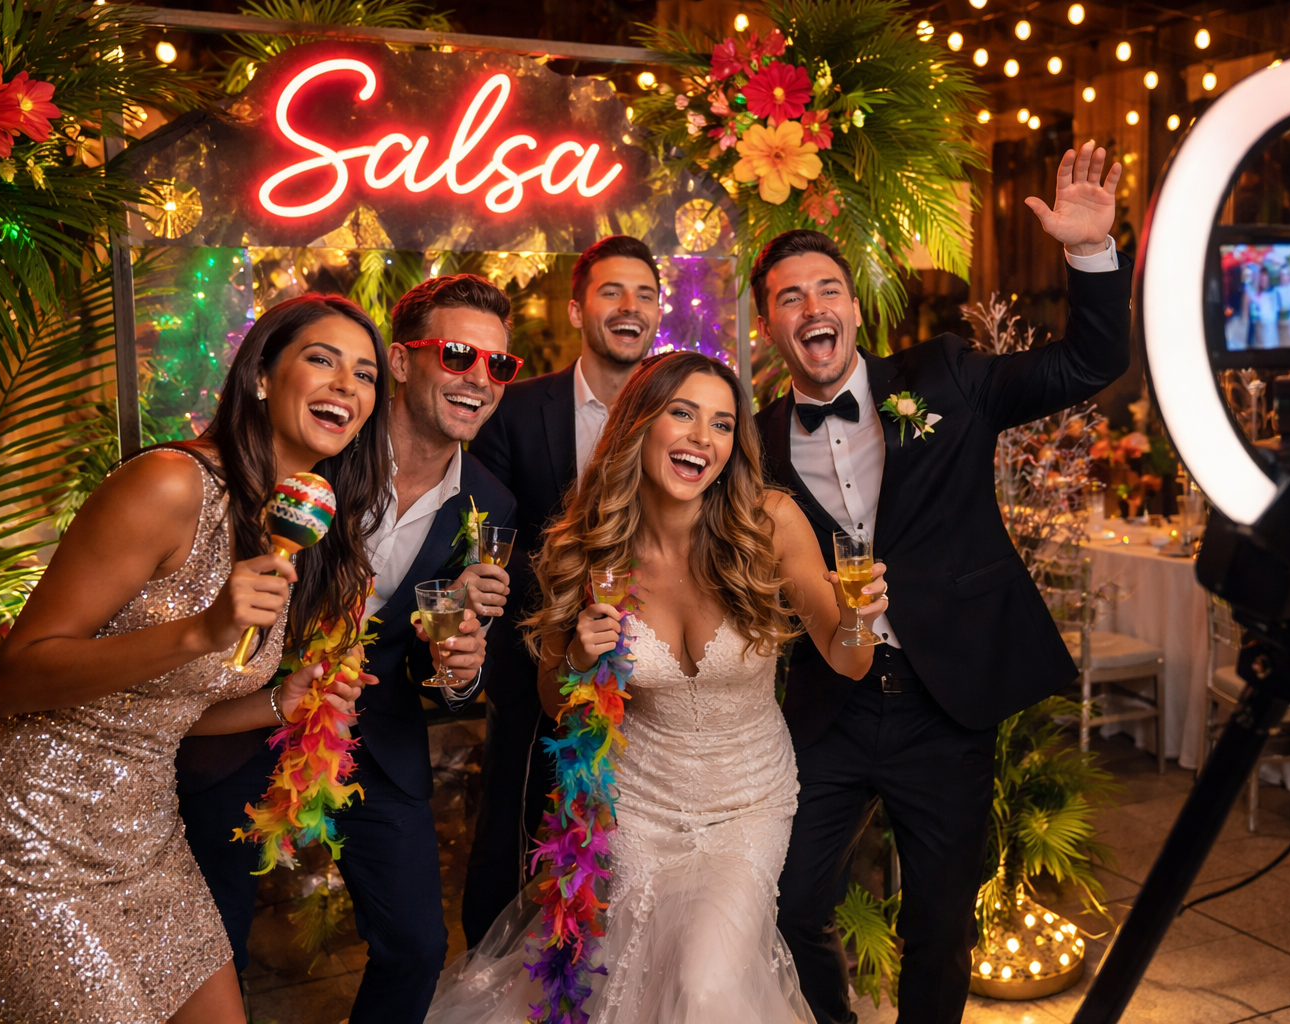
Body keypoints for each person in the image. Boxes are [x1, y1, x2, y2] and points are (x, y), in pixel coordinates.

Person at [753, 140, 1132, 1024]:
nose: (813, 307)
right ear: (770, 325)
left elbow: (1086, 364)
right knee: (790, 905)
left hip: (944, 702)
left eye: (827, 290)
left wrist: (1089, 254)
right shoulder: (755, 442)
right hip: (825, 705)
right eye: (789, 298)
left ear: (855, 307)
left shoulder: (946, 376)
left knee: (940, 925)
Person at [424, 351, 889, 1024]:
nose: (704, 437)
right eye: (684, 413)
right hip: (634, 807)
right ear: (639, 424)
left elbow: (849, 661)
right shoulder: (581, 549)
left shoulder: (769, 524)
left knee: (704, 986)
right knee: (636, 981)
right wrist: (581, 659)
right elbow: (556, 704)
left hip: (748, 803)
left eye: (724, 424)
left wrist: (855, 620)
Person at [0, 294, 386, 1023]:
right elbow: (11, 679)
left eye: (366, 374)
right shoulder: (170, 485)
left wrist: (277, 703)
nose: (347, 386)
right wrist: (201, 630)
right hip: (30, 837)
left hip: (146, 841)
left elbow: (158, 715)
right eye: (321, 359)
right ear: (260, 375)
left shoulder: (295, 523)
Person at [176, 276, 519, 1023]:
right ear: (399, 363)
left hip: (377, 737)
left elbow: (445, 668)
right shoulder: (314, 444)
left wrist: (459, 671)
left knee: (418, 948)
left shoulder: (492, 502)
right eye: (459, 354)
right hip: (242, 723)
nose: (479, 379)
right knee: (208, 949)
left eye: (500, 365)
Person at [463, 234, 664, 943]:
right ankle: (495, 983)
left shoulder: (677, 408)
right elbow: (491, 540)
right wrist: (564, 629)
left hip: (657, 675)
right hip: (539, 670)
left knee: (634, 852)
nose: (629, 307)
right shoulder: (515, 410)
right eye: (612, 291)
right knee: (515, 842)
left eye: (644, 294)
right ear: (577, 310)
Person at [1250, 266, 1280, 348]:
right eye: (1260, 277)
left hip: (1271, 333)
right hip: (1259, 333)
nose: (1261, 279)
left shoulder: (1274, 292)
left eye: (1264, 276)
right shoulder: (1256, 295)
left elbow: (1276, 314)